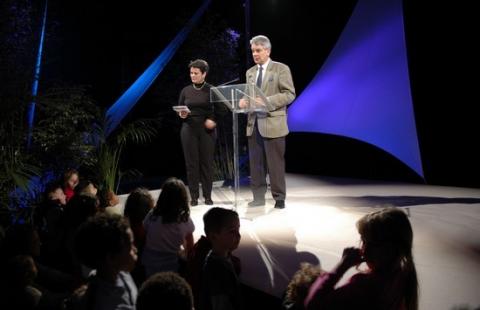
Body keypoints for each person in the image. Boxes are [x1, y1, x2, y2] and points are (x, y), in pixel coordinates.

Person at [304, 208, 419, 310]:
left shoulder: (363, 287)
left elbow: (313, 305)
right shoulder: (402, 277)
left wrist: (341, 266)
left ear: (392, 249)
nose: (365, 249)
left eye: (373, 243)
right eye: (363, 241)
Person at [239, 35, 296, 209]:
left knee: (275, 164)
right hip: (253, 123)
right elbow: (249, 95)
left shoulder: (280, 69)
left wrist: (267, 101)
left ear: (267, 50)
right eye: (253, 51)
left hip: (273, 123)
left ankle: (279, 198)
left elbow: (289, 94)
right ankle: (258, 197)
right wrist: (242, 101)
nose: (255, 54)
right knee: (256, 165)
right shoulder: (250, 72)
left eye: (258, 50)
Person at [73, 213, 138, 310]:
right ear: (110, 258)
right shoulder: (109, 305)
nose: (135, 249)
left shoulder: (121, 273)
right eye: (130, 246)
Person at [176, 59, 217, 206]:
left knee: (207, 163)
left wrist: (212, 120)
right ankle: (193, 196)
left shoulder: (211, 90)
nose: (192, 75)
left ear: (204, 74)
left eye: (196, 73)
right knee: (191, 164)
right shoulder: (185, 90)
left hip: (207, 129)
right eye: (191, 73)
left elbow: (220, 109)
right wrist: (181, 114)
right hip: (189, 129)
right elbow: (180, 108)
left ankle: (207, 196)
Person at [141, 177, 195, 277]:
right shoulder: (184, 219)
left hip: (149, 265)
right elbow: (190, 249)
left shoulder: (152, 215)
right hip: (172, 268)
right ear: (183, 198)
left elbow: (144, 236)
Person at [199, 207, 242, 310]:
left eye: (238, 229)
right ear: (214, 236)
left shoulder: (223, 259)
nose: (239, 235)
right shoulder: (217, 269)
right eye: (232, 231)